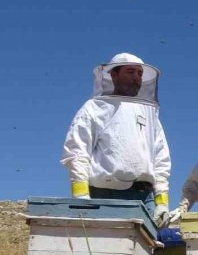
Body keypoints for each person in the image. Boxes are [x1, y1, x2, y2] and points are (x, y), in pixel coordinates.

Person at [61, 53, 172, 227]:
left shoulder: (150, 113)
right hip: (104, 195)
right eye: (130, 72)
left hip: (145, 198)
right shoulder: (94, 108)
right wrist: (81, 196)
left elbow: (161, 159)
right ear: (113, 74)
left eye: (140, 74)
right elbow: (77, 151)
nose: (136, 78)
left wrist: (162, 202)